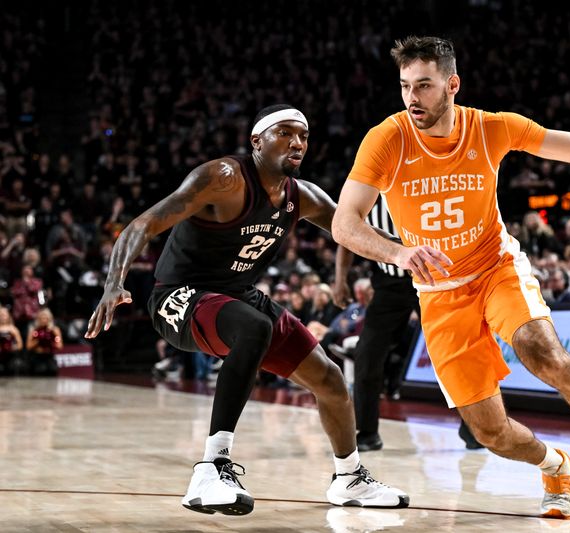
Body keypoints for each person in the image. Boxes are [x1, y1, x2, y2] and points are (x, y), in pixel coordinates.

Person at [331, 36, 570, 518]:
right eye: (405, 86)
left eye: (423, 86)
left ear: (452, 84)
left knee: (540, 349)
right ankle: (555, 464)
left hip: (494, 268)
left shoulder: (491, 128)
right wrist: (400, 253)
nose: (412, 98)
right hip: (439, 295)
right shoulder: (387, 138)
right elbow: (345, 222)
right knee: (490, 432)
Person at [85, 104, 408, 515]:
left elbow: (353, 228)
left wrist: (408, 253)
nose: (297, 143)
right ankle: (211, 466)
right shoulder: (222, 178)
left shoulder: (301, 196)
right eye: (285, 133)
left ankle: (348, 478)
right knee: (254, 327)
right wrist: (114, 282)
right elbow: (142, 225)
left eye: (303, 136)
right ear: (257, 141)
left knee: (329, 379)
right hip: (178, 296)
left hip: (236, 296)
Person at [333, 195, 483, 452]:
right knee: (367, 354)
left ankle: (472, 427)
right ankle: (367, 432)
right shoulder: (364, 186)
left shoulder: (416, 179)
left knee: (448, 353)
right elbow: (347, 235)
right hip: (387, 284)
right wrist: (340, 279)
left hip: (428, 278)